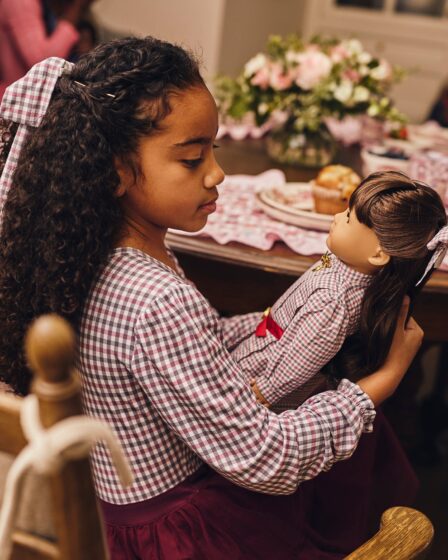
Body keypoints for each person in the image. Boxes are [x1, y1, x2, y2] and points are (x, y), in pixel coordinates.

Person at [0, 38, 423, 559]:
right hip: (187, 535)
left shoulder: (86, 255)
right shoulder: (155, 301)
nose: (216, 172)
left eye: (214, 150)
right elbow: (264, 457)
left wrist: (277, 325)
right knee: (362, 445)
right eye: (193, 157)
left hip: (118, 515)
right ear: (114, 171)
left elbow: (196, 346)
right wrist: (379, 383)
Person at [0, 0, 94, 100]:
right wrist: (77, 7)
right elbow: (41, 62)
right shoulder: (20, 2)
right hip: (17, 101)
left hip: (38, 100)